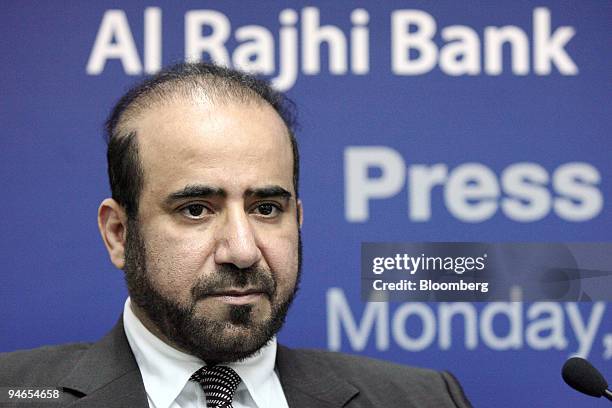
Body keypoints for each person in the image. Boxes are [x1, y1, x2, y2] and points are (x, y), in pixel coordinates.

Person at [0, 62, 472, 408]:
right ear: (119, 233)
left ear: (299, 219)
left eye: (267, 208)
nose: (243, 251)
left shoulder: (423, 399)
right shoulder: (16, 393)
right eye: (196, 210)